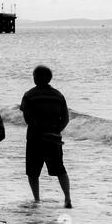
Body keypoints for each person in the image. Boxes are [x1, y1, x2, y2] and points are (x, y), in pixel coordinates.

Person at [20, 65, 72, 208]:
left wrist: (38, 128)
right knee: (60, 169)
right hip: (53, 139)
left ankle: (37, 200)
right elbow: (66, 118)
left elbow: (27, 118)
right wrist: (56, 130)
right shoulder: (58, 95)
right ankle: (67, 198)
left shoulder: (29, 95)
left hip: (34, 139)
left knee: (33, 172)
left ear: (36, 78)